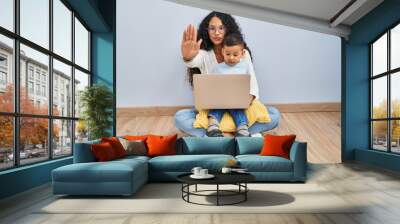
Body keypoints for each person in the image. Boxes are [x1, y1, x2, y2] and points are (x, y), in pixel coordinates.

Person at [174, 11, 281, 137]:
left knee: (274, 114)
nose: (217, 32)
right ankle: (236, 132)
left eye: (221, 28)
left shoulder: (243, 54)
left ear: (228, 29)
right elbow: (192, 62)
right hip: (215, 108)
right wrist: (188, 56)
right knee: (179, 117)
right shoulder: (204, 55)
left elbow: (252, 81)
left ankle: (220, 133)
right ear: (206, 31)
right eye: (212, 28)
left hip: (240, 106)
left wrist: (248, 98)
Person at [206, 33, 255, 137]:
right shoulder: (217, 68)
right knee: (216, 109)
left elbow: (252, 83)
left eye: (235, 54)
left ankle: (242, 129)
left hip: (237, 100)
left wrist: (250, 97)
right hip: (220, 99)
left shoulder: (245, 66)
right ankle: (213, 127)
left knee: (239, 111)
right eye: (228, 54)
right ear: (223, 51)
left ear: (242, 53)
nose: (231, 57)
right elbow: (210, 85)